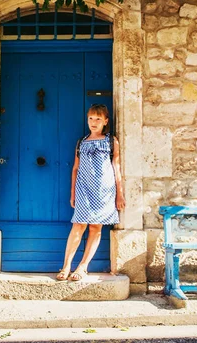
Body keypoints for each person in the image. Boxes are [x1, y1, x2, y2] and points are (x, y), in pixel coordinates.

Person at [56, 104, 126, 281]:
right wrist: (72, 192)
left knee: (96, 227)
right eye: (91, 119)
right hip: (84, 190)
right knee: (78, 225)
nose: (93, 122)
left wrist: (120, 193)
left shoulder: (111, 141)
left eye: (98, 119)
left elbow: (116, 167)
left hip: (105, 191)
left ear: (105, 121)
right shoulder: (81, 142)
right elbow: (75, 169)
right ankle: (66, 266)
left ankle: (82, 267)